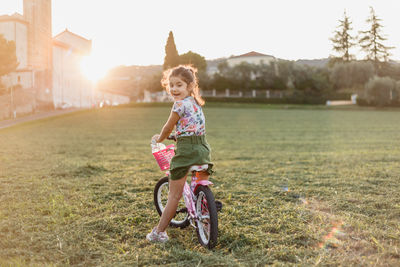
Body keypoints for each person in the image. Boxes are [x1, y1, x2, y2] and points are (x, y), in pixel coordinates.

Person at [146, 65, 213, 243]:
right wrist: (177, 136)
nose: (174, 89)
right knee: (199, 183)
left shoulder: (179, 105)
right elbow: (191, 128)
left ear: (189, 86)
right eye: (171, 85)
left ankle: (159, 232)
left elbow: (168, 127)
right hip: (203, 150)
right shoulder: (195, 103)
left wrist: (161, 139)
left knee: (174, 196)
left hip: (186, 152)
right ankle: (205, 212)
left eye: (179, 85)